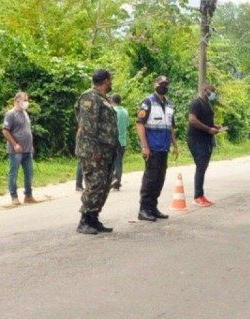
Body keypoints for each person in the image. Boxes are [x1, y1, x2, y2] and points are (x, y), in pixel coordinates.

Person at [74, 69, 119, 235]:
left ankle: (93, 218)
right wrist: (94, 149)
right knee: (95, 184)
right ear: (106, 80)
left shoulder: (103, 98)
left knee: (104, 185)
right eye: (110, 79)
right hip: (94, 150)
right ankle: (84, 220)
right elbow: (87, 126)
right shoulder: (90, 97)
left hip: (106, 150)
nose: (111, 82)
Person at [136, 75, 178, 222]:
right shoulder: (148, 102)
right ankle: (144, 209)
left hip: (164, 148)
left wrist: (175, 146)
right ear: (155, 85)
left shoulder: (170, 105)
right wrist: (144, 146)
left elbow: (171, 127)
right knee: (150, 179)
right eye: (161, 84)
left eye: (166, 84)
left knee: (160, 179)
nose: (164, 86)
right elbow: (140, 124)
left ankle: (153, 208)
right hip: (152, 148)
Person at [76, 93, 130, 193]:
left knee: (85, 162)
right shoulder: (124, 112)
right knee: (117, 163)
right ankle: (115, 182)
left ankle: (80, 184)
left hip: (104, 141)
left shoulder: (108, 111)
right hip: (120, 141)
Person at [187, 84, 226, 206]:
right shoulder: (196, 103)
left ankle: (201, 195)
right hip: (196, 139)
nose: (213, 93)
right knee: (201, 165)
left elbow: (206, 121)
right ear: (205, 90)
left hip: (206, 139)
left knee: (203, 166)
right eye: (212, 91)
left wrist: (215, 127)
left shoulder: (207, 103)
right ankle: (197, 196)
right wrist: (209, 129)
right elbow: (192, 120)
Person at [2, 91, 37, 206]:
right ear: (17, 101)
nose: (27, 102)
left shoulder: (25, 113)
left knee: (29, 173)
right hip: (16, 151)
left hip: (27, 150)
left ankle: (28, 196)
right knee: (13, 173)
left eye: (27, 100)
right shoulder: (11, 114)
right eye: (25, 100)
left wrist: (31, 145)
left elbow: (27, 130)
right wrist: (15, 144)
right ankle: (14, 197)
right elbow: (5, 131)